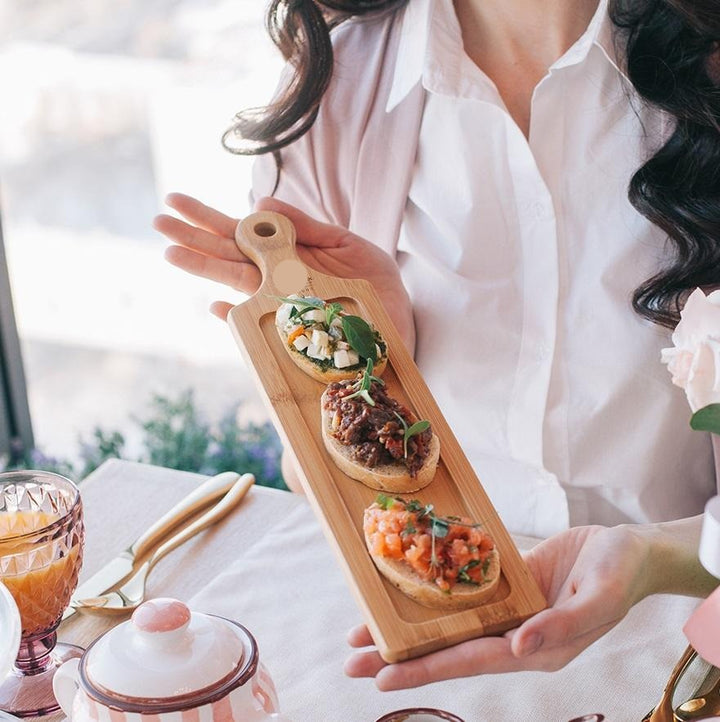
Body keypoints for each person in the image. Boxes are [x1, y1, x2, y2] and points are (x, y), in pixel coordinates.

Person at [154, 0, 720, 690]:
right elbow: (317, 477)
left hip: (680, 631)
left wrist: (655, 557)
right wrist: (385, 356)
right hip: (421, 634)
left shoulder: (705, 70)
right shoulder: (333, 90)